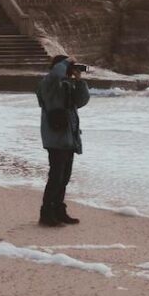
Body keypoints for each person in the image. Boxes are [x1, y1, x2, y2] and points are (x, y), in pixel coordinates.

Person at [35, 54, 90, 227]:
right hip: (55, 137)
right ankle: (46, 213)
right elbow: (56, 73)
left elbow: (81, 101)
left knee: (64, 177)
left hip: (69, 137)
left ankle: (59, 210)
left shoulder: (67, 84)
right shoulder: (49, 82)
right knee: (56, 177)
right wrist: (67, 61)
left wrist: (79, 81)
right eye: (67, 66)